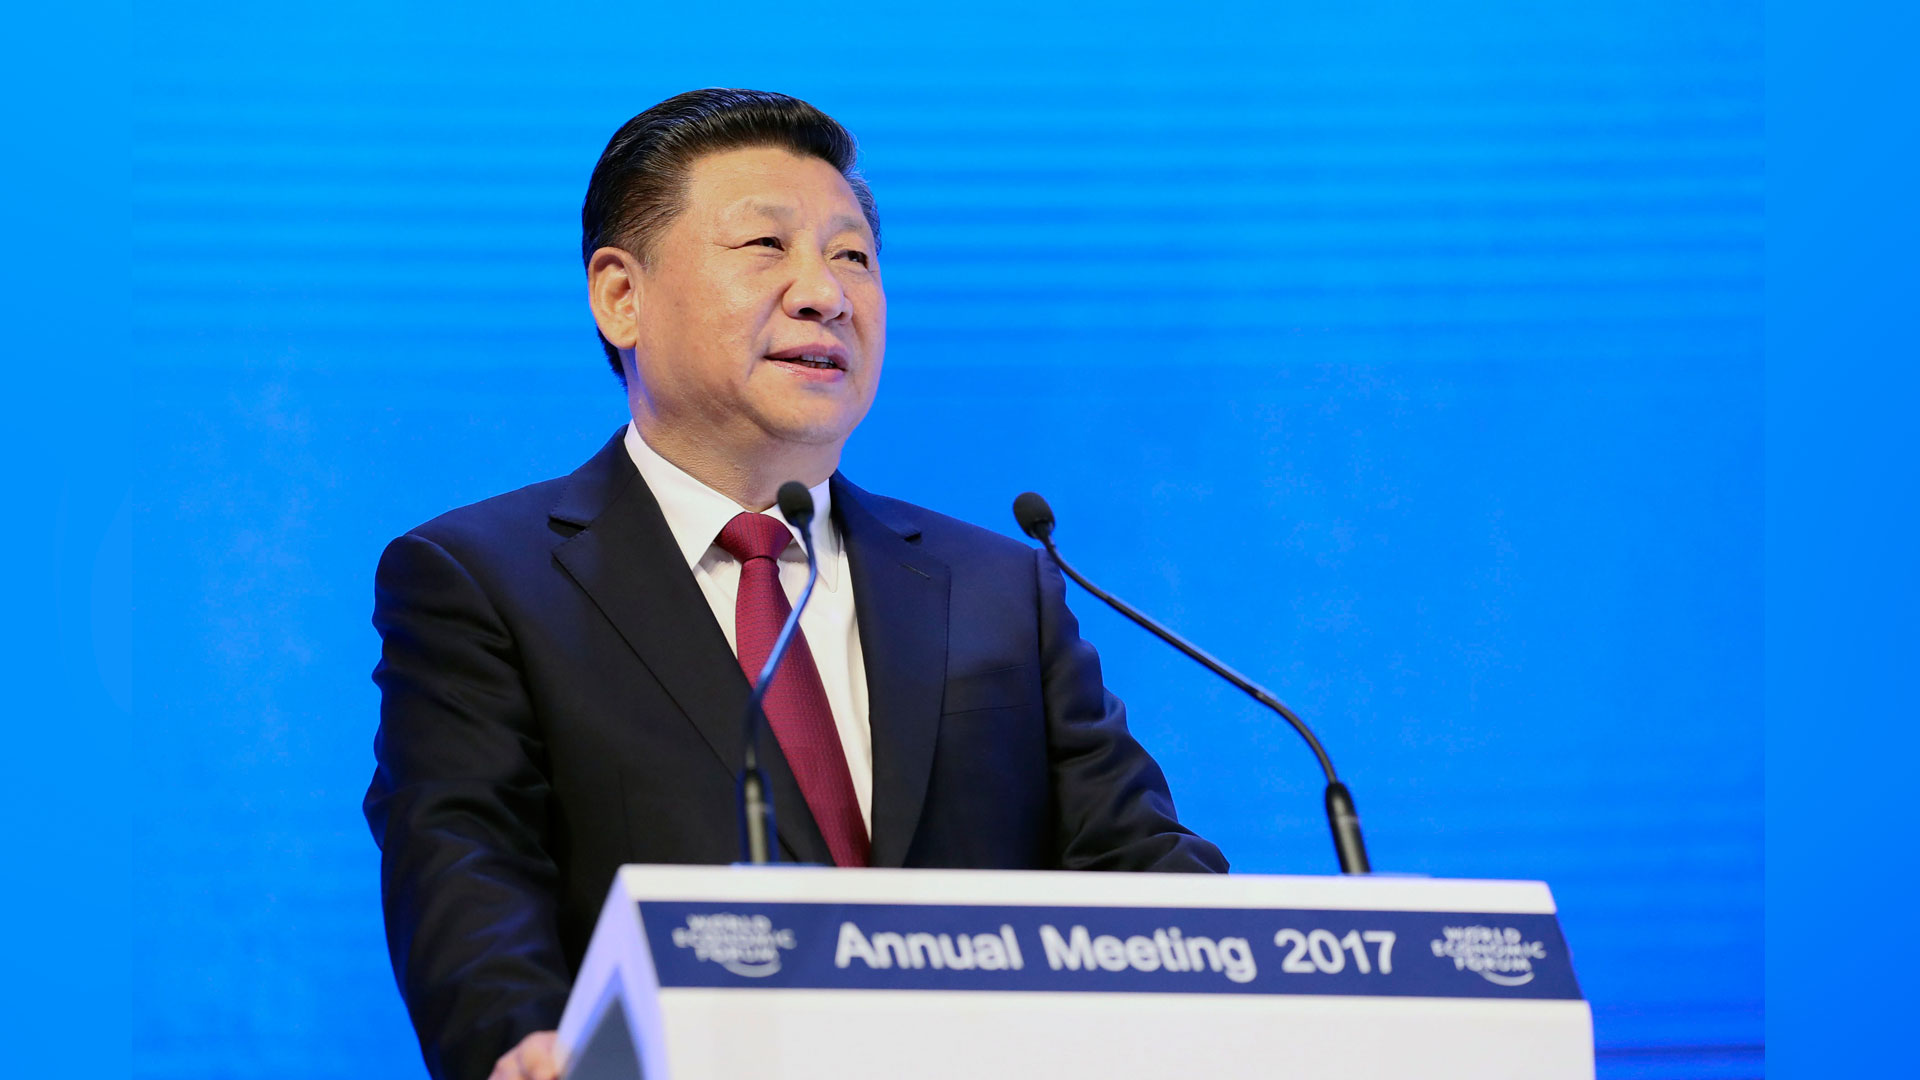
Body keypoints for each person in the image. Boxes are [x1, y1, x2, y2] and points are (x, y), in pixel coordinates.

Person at [364, 88, 1227, 1080]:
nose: (825, 293)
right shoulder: (484, 581)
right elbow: (467, 866)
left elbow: (1142, 877)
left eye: (852, 256)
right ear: (621, 297)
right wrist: (524, 1044)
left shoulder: (1000, 589)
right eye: (766, 246)